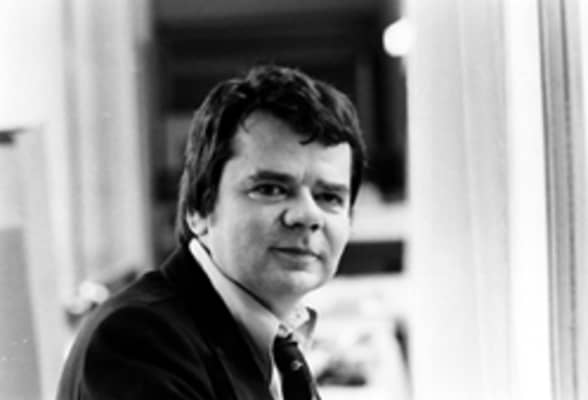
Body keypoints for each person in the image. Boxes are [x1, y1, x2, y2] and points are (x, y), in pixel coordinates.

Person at [57, 64, 366, 400]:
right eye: (270, 189)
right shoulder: (138, 343)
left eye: (329, 197)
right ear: (199, 209)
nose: (307, 215)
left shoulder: (272, 340)